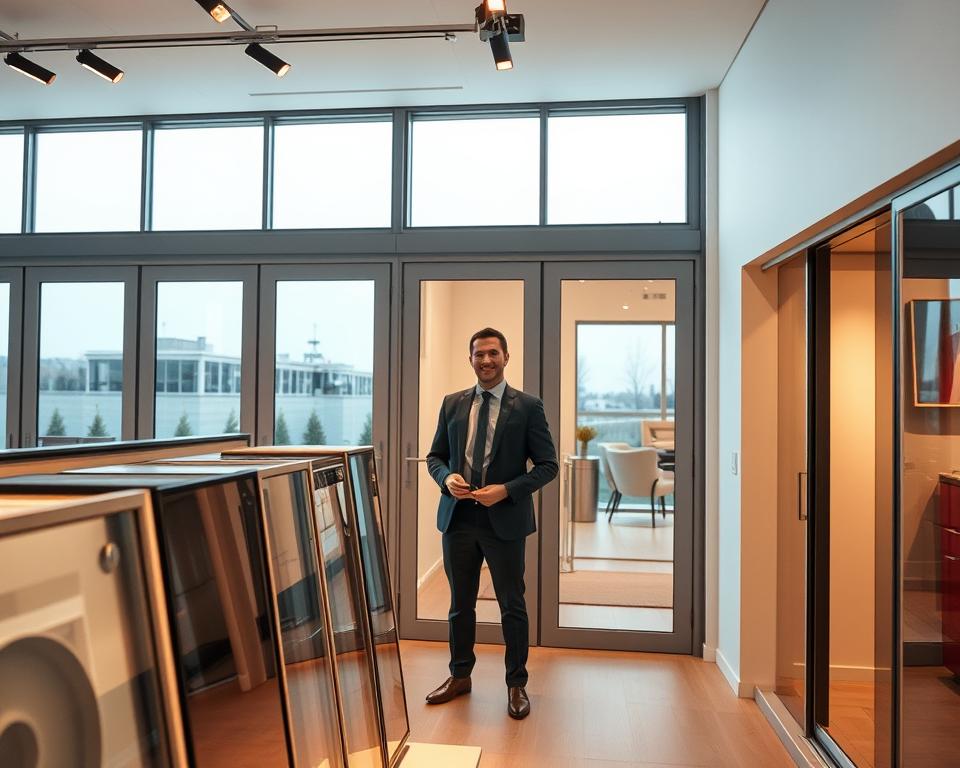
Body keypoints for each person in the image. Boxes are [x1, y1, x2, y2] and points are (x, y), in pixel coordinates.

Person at [424, 327, 558, 720]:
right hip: (459, 519)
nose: (486, 360)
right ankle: (459, 676)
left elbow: (547, 465)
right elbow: (435, 457)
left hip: (505, 522)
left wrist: (507, 490)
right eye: (479, 354)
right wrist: (446, 479)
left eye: (493, 353)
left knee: (512, 606)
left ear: (506, 357)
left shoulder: (528, 406)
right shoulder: (452, 403)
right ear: (470, 359)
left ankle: (516, 684)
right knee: (459, 605)